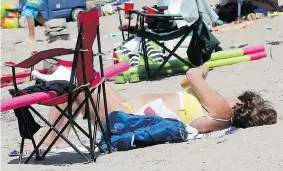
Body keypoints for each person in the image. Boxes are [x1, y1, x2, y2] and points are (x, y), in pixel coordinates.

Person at [10, 66, 276, 154]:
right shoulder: (220, 117)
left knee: (80, 87)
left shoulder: (221, 110)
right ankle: (51, 139)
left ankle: (50, 141)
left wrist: (204, 70)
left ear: (241, 104)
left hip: (127, 119)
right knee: (91, 76)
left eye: (237, 96)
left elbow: (193, 73)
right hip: (128, 112)